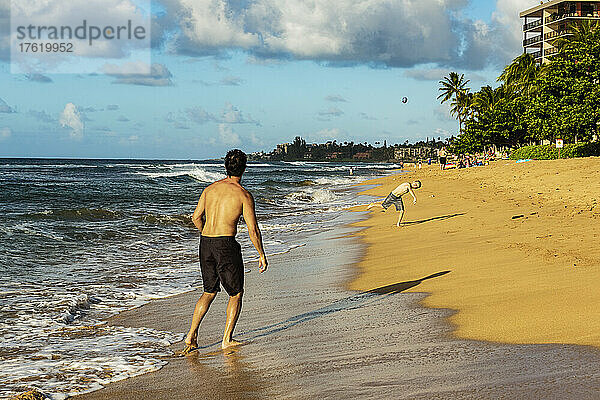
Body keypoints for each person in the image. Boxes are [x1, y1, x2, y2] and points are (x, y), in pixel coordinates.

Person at [181, 149, 268, 355]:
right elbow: (253, 229)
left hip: (206, 243)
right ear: (244, 169)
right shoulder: (243, 195)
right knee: (236, 293)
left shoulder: (209, 190)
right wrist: (261, 253)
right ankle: (227, 339)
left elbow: (195, 217)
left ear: (225, 167)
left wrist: (207, 235)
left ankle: (191, 335)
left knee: (209, 292)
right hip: (226, 245)